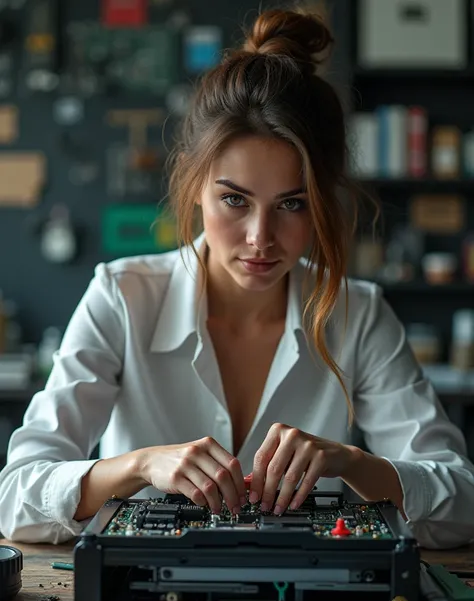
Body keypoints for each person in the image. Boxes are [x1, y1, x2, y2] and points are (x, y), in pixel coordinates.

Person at [1, 8, 473, 548]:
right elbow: (15, 497)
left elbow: (462, 500)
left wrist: (353, 463)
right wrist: (139, 466)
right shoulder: (122, 296)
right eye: (234, 200)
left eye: (292, 204)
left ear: (322, 202)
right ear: (195, 185)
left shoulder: (358, 313)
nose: (259, 238)